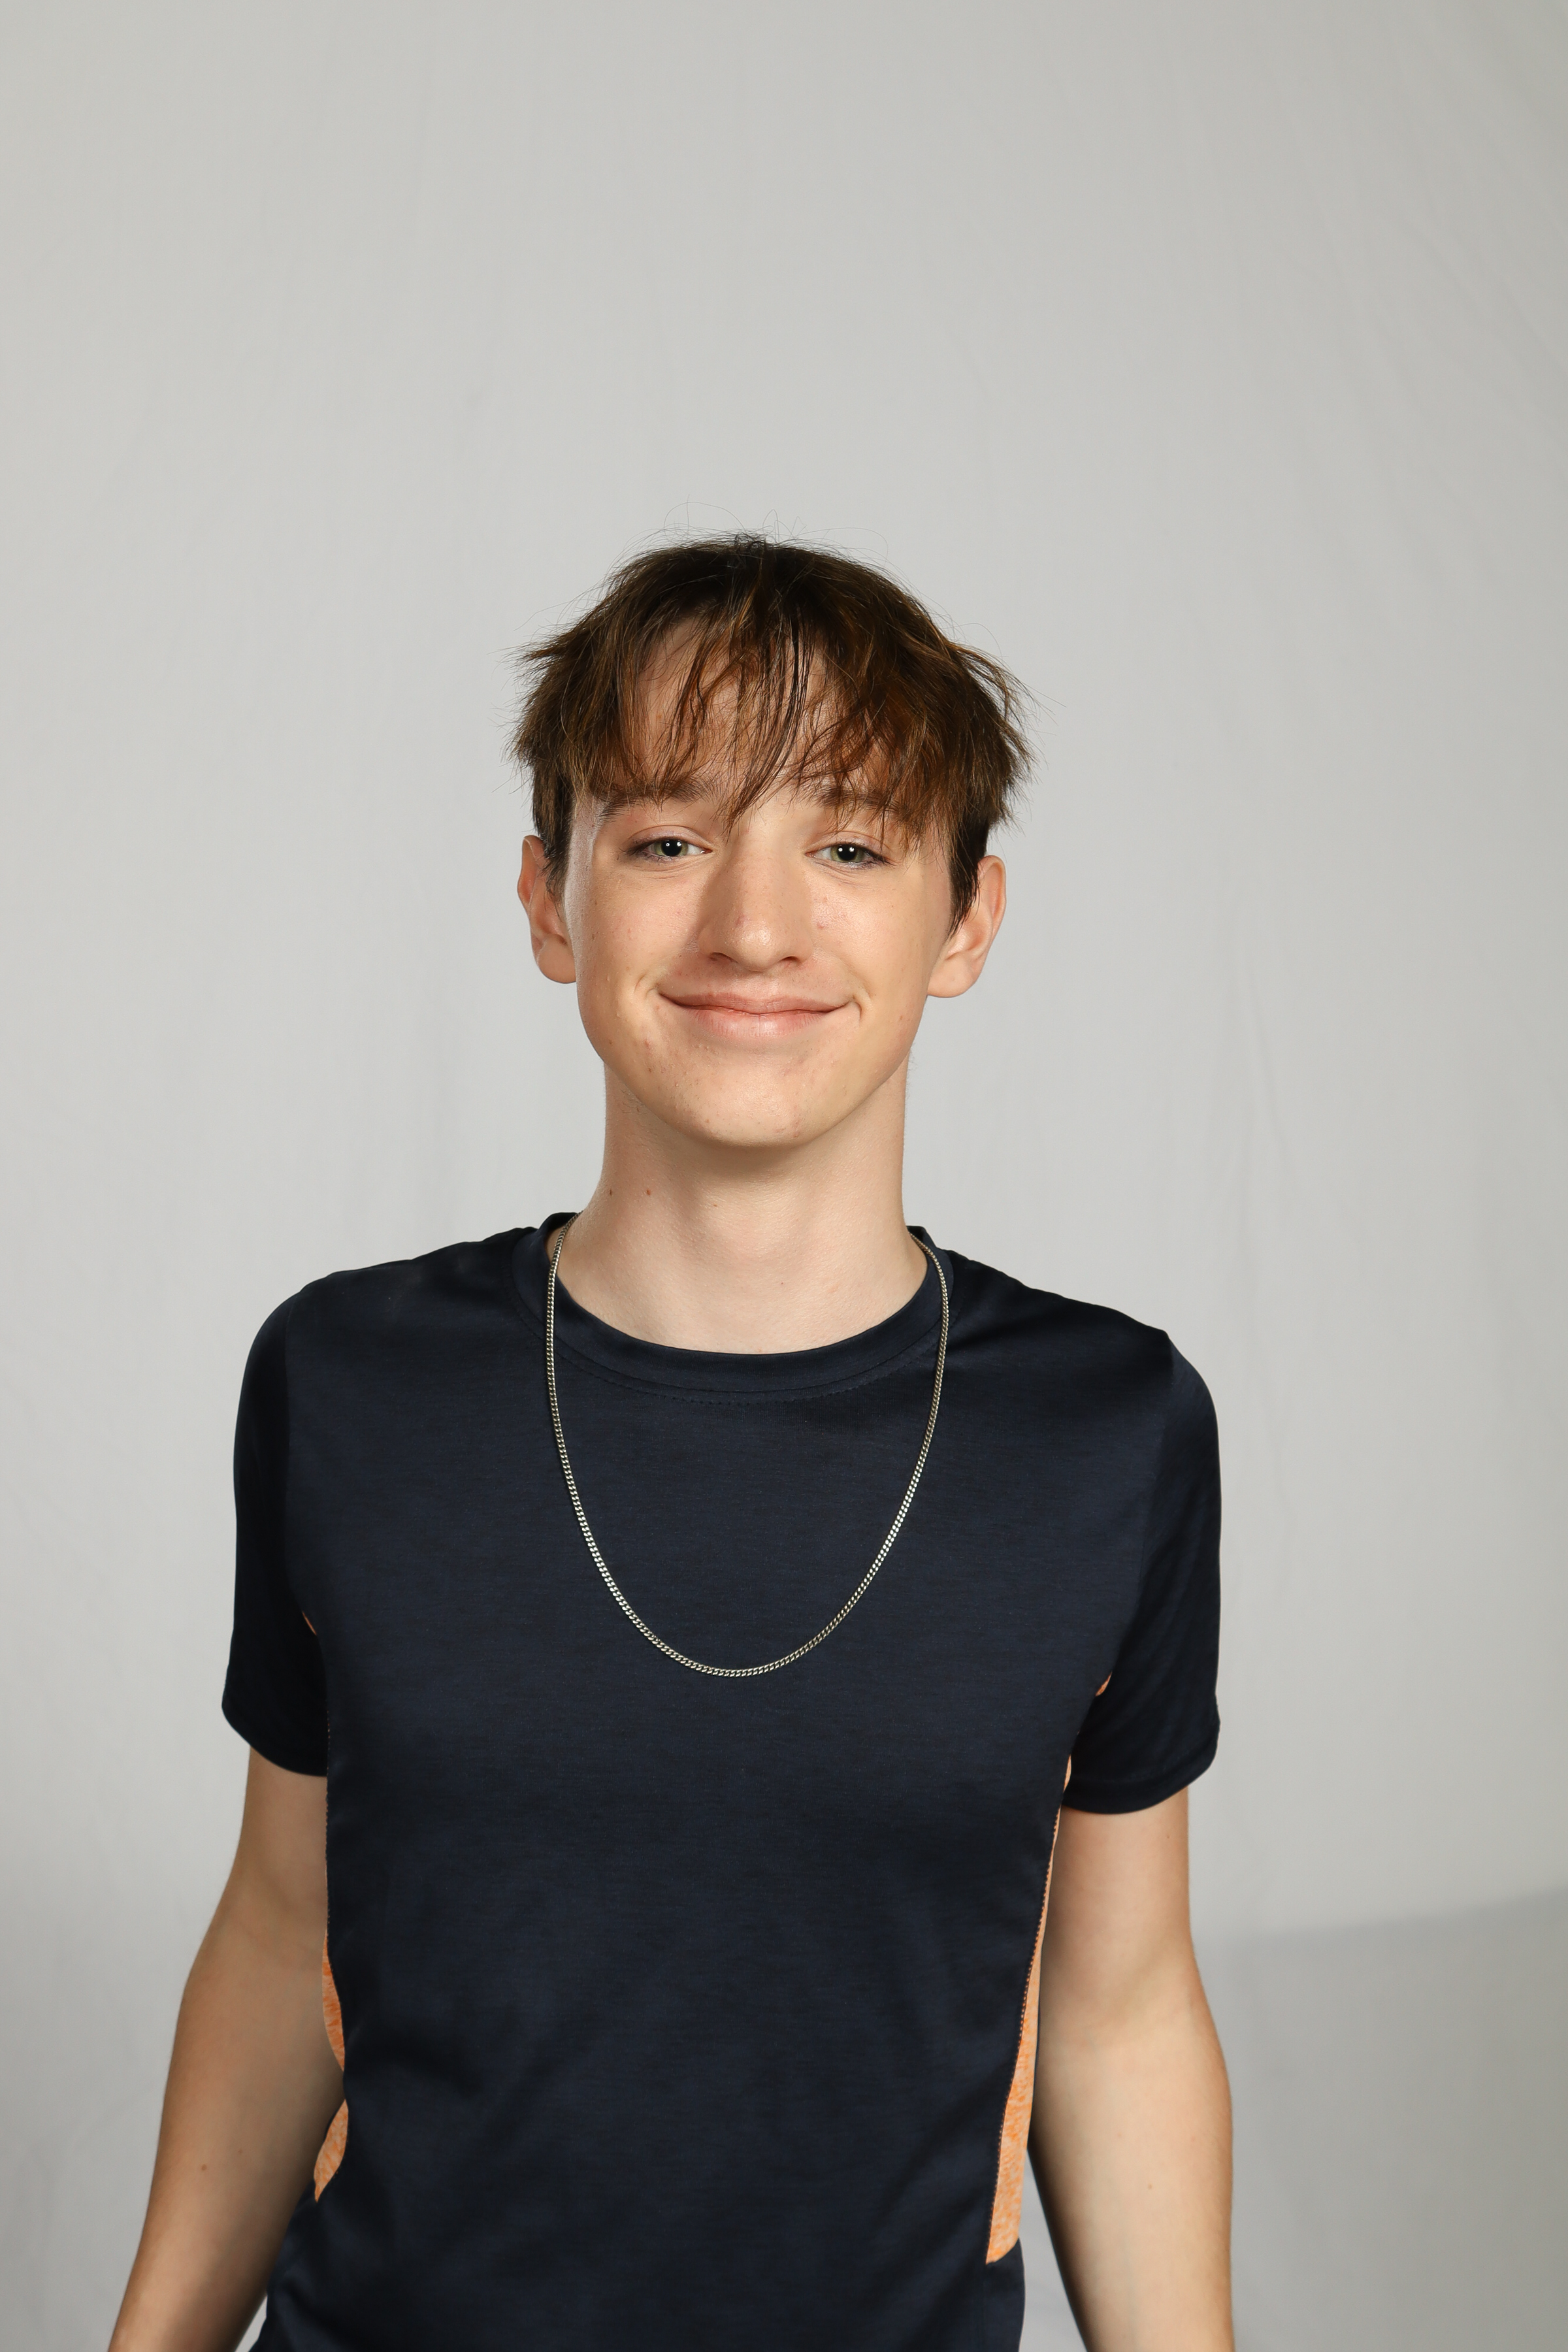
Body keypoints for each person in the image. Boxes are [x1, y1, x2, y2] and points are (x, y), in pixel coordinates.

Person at [110, 537, 1232, 2352]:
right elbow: (277, 1932)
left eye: (849, 846)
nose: (753, 926)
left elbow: (1118, 2013)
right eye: (667, 841)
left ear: (966, 922)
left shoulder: (1110, 1433)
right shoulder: (348, 1382)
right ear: (551, 902)